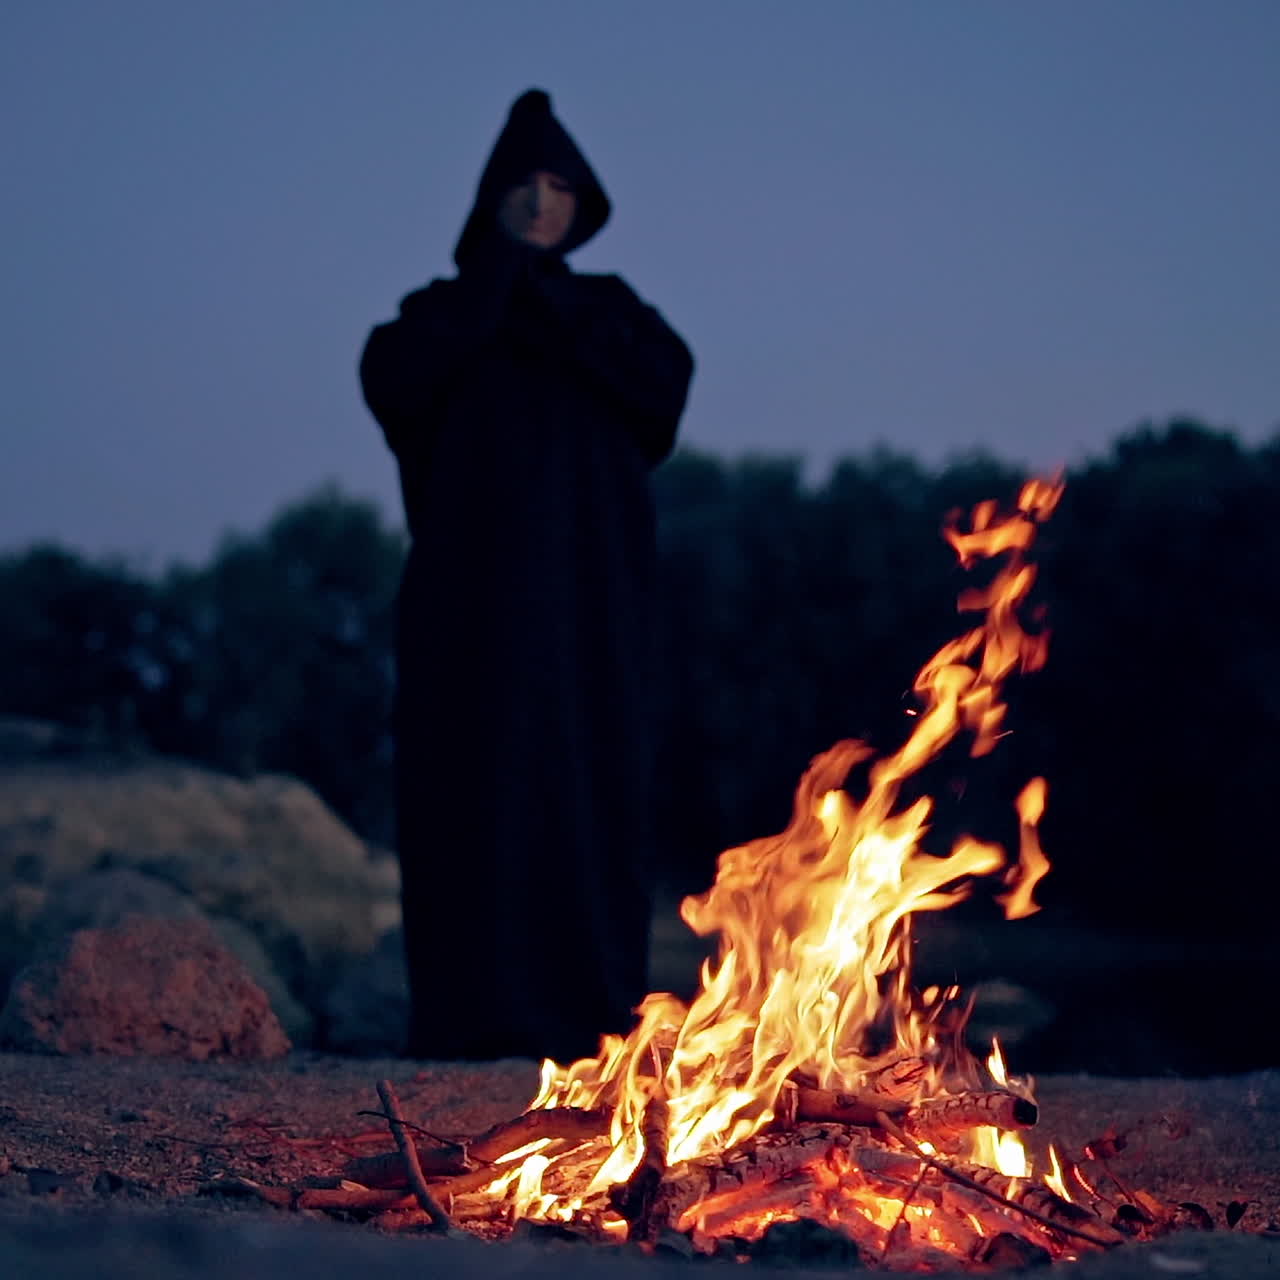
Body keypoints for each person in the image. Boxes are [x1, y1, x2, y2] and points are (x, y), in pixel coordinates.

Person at [359, 89, 694, 1062]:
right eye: (525, 185)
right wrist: (496, 288)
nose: (542, 202)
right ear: (490, 198)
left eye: (561, 186)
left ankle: (594, 1029)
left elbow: (661, 392)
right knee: (470, 796)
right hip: (467, 618)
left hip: (594, 619)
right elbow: (391, 380)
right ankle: (467, 1025)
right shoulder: (440, 320)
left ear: (582, 205)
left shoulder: (614, 318)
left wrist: (540, 301)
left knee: (587, 804)